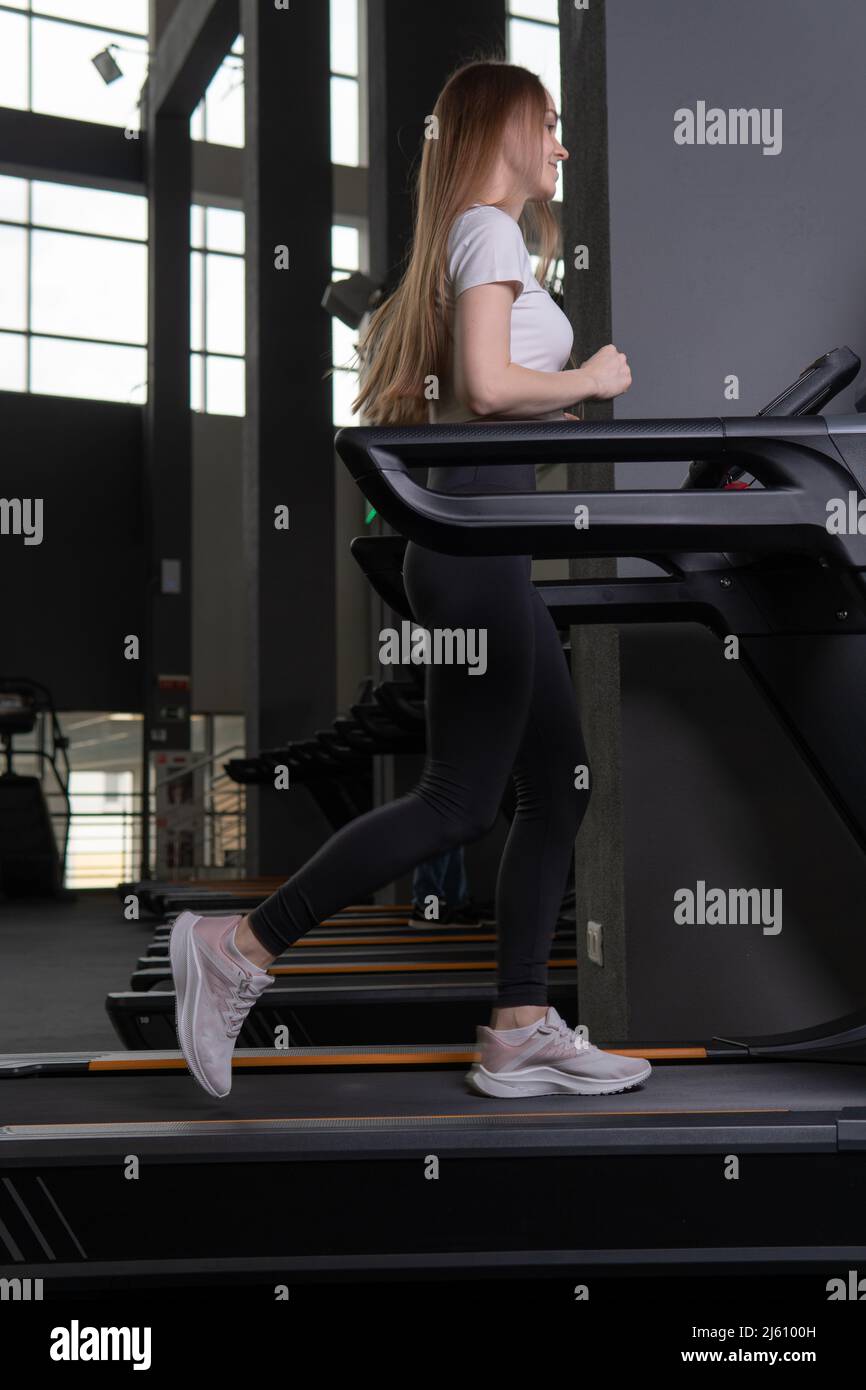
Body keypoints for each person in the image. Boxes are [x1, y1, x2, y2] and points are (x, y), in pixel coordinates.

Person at [171, 58, 650, 1101]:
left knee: (558, 786)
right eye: (550, 126)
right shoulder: (487, 229)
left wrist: (545, 407)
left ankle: (520, 1025)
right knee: (458, 801)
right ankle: (239, 947)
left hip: (490, 549)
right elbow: (485, 383)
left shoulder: (478, 236)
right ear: (503, 128)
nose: (561, 145)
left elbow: (479, 395)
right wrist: (589, 380)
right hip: (473, 552)